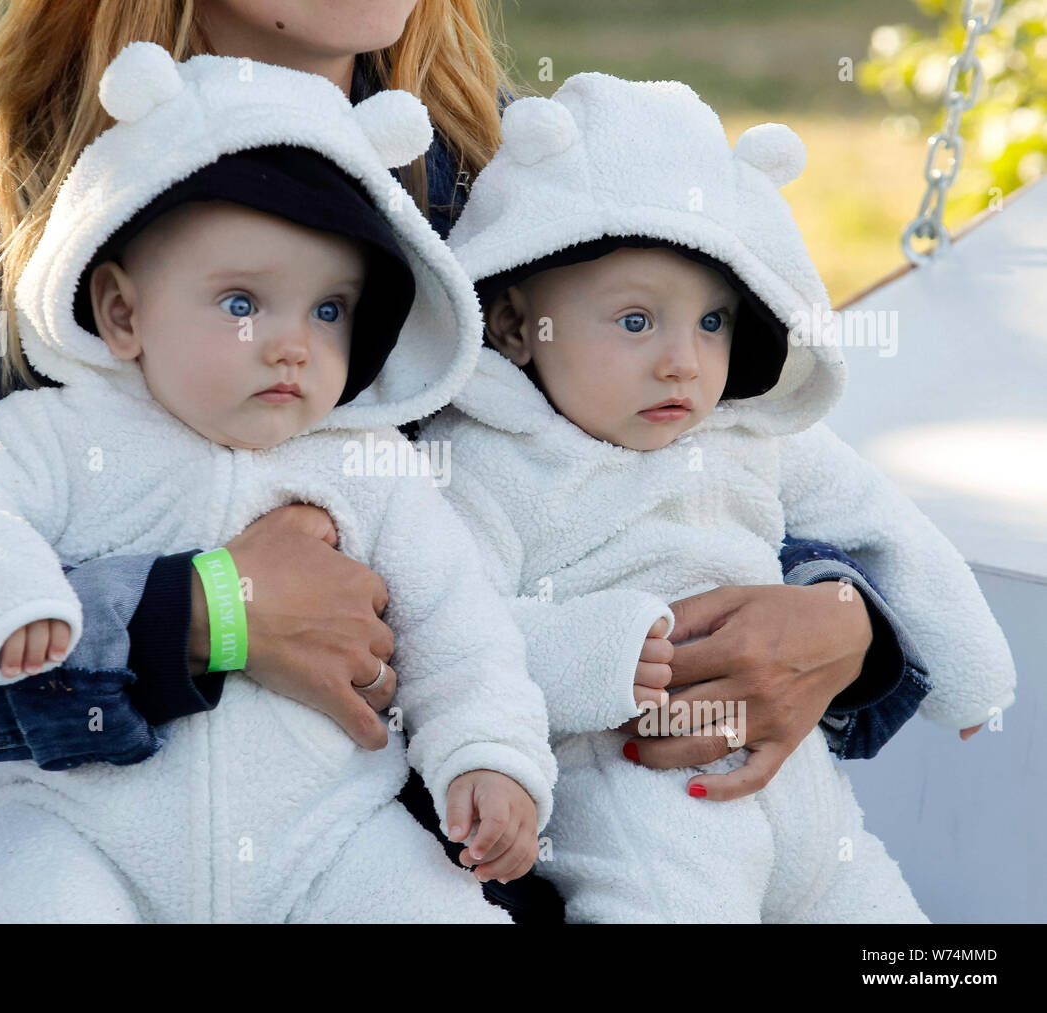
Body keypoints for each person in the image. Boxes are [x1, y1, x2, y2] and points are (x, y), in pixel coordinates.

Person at [0, 0, 929, 924]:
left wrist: (842, 618)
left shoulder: (509, 180)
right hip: (57, 852)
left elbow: (710, 441)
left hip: (431, 846)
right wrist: (199, 611)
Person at [0, 45, 556, 923]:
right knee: (35, 893)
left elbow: (463, 629)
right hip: (82, 825)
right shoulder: (66, 435)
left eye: (328, 308)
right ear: (123, 312)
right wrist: (10, 599)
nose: (292, 344)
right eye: (242, 303)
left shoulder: (368, 465)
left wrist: (490, 757)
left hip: (327, 839)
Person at [422, 73, 1017, 922]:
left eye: (713, 322)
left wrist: (970, 674)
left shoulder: (747, 434)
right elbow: (449, 630)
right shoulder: (487, 461)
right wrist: (601, 651)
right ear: (516, 326)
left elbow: (882, 524)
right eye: (635, 321)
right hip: (650, 793)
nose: (683, 362)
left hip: (806, 795)